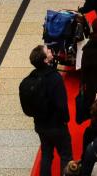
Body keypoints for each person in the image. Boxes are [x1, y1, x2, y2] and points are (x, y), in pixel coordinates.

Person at [23, 45, 73, 176]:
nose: (50, 50)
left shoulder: (30, 79)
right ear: (46, 60)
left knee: (46, 154)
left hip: (40, 125)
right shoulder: (54, 78)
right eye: (48, 51)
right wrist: (65, 120)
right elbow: (61, 104)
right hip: (57, 125)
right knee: (65, 155)